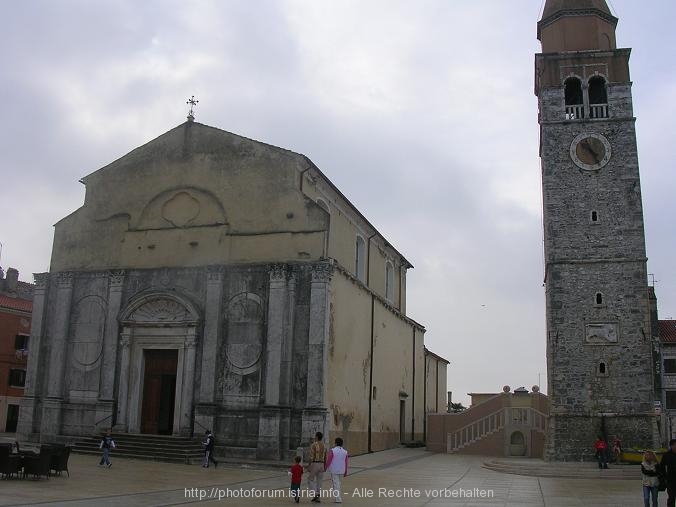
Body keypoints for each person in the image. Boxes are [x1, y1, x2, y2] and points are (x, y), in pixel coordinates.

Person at [325, 437, 348, 504]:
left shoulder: (332, 450)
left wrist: (326, 467)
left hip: (334, 470)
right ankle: (338, 497)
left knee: (336, 484)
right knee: (339, 484)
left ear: (335, 443)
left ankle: (338, 498)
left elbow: (329, 460)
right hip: (342, 470)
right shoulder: (345, 452)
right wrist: (346, 470)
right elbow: (346, 462)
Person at [307, 431, 326, 503]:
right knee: (319, 481)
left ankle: (315, 494)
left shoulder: (313, 445)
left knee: (310, 480)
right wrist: (325, 466)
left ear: (317, 437)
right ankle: (318, 497)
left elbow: (311, 457)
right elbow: (325, 457)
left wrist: (309, 465)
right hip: (322, 464)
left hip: (315, 464)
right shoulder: (324, 445)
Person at [661, 439, 676, 507]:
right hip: (670, 480)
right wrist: (665, 477)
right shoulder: (666, 455)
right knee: (671, 498)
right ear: (671, 446)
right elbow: (662, 466)